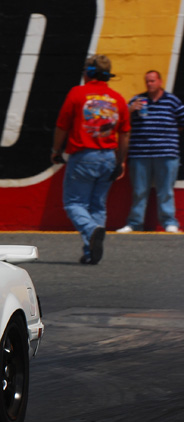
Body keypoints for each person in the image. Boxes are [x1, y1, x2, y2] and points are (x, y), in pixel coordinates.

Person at [52, 54, 130, 265]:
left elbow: (62, 125)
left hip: (84, 156)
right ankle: (90, 252)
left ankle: (90, 229)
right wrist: (120, 161)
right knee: (98, 206)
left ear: (89, 73)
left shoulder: (77, 93)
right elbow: (124, 134)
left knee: (74, 203)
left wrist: (56, 150)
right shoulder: (118, 99)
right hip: (109, 157)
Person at [117, 70, 184, 233]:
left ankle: (169, 222)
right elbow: (121, 122)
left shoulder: (172, 101)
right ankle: (135, 223)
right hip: (140, 153)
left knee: (165, 191)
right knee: (139, 191)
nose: (149, 84)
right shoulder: (137, 100)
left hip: (166, 153)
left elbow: (182, 122)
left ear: (160, 82)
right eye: (147, 81)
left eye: (152, 81)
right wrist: (130, 110)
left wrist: (167, 136)